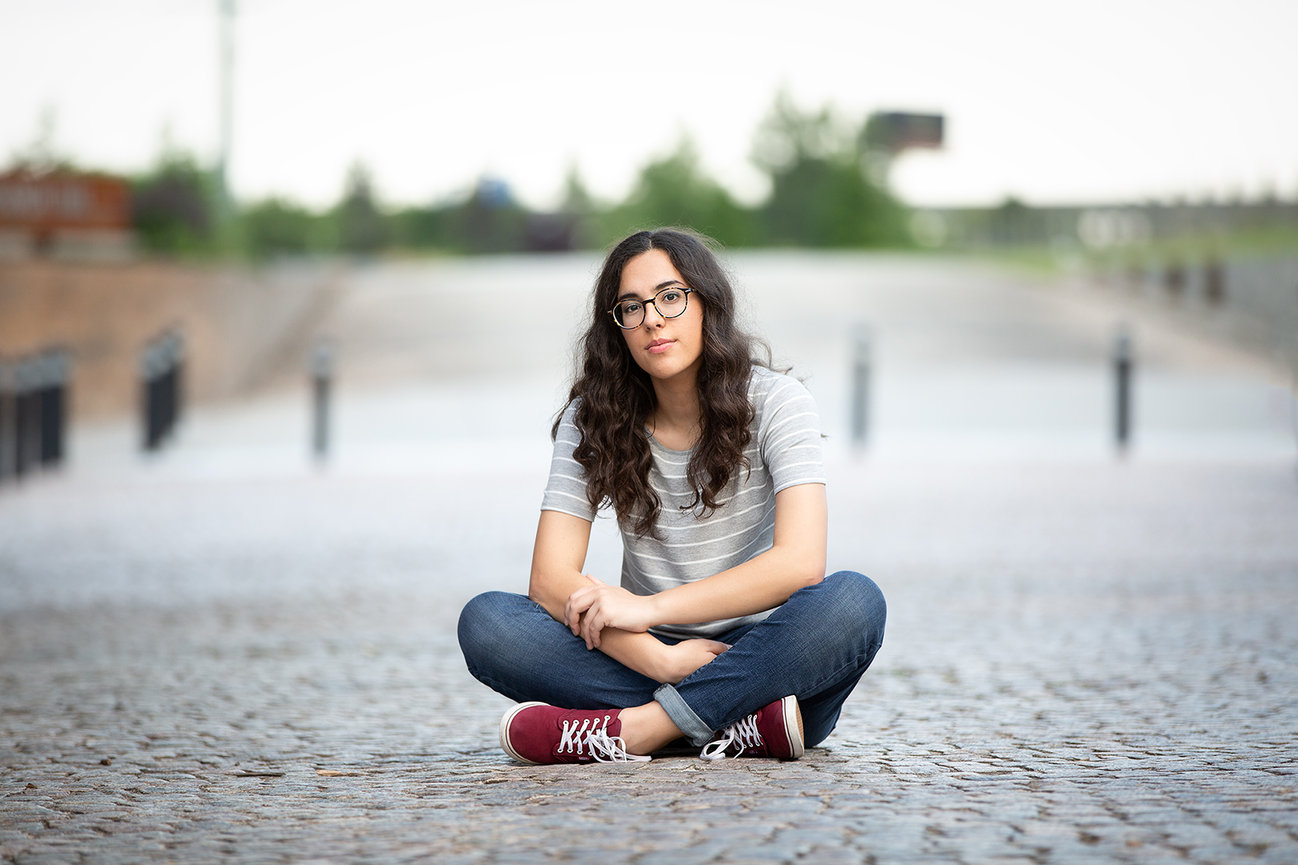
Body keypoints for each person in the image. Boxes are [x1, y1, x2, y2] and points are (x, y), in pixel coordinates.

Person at [457, 228, 886, 764]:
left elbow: (799, 565)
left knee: (853, 602)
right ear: (616, 330)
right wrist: (660, 660)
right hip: (657, 659)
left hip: (769, 651)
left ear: (707, 303)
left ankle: (637, 731)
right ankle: (737, 726)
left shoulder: (779, 403)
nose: (652, 319)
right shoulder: (592, 420)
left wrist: (647, 607)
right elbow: (549, 581)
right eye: (630, 307)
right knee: (489, 623)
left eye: (670, 297)